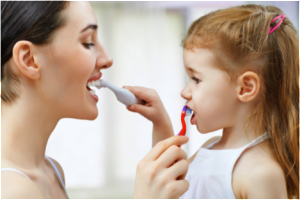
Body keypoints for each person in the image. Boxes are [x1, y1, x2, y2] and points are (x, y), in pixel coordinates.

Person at [1, 1, 190, 199]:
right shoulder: (12, 191)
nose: (107, 59)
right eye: (88, 42)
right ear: (29, 59)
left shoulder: (51, 171)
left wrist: (161, 128)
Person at [125, 4, 299, 199]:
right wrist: (160, 121)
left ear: (246, 88)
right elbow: (167, 183)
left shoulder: (261, 173)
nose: (185, 92)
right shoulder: (210, 148)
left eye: (196, 79)